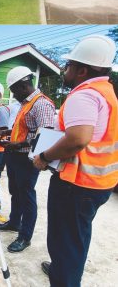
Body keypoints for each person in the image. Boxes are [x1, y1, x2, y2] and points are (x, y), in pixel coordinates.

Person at [33, 35, 118, 287]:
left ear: (82, 70)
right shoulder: (107, 93)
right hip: (98, 183)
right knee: (76, 239)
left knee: (64, 242)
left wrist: (44, 157)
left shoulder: (84, 95)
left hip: (76, 185)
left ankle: (64, 276)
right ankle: (63, 269)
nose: (65, 70)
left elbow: (78, 139)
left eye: (69, 66)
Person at [0, 66, 55, 253]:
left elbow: (44, 136)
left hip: (27, 160)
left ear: (23, 86)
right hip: (14, 155)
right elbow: (24, 128)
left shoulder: (41, 104)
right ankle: (14, 223)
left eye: (14, 91)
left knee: (27, 195)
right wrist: (8, 132)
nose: (14, 95)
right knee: (16, 192)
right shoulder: (25, 104)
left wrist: (18, 145)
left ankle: (25, 236)